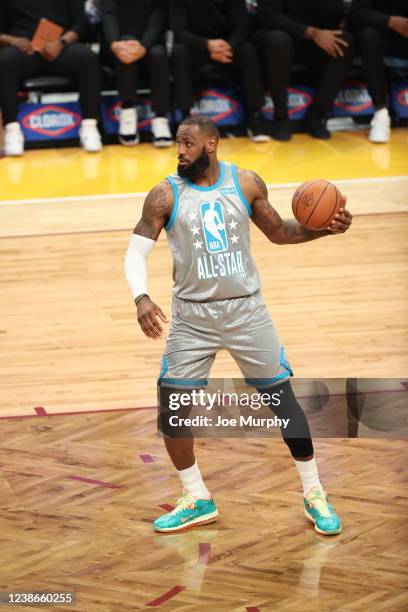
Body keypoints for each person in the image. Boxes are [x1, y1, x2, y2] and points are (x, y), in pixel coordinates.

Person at [125, 115, 353, 535]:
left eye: (188, 144)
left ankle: (315, 492)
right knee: (173, 408)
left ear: (211, 144)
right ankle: (196, 497)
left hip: (247, 312)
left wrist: (325, 231)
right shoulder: (164, 195)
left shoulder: (245, 183)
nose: (180, 151)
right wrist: (141, 297)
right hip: (192, 318)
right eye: (178, 144)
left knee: (282, 401)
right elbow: (134, 253)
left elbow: (282, 232)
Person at [0, 0, 102, 156]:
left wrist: (61, 43)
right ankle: (12, 128)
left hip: (61, 47)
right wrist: (13, 41)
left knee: (88, 58)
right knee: (5, 61)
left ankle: (89, 125)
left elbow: (80, 25)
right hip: (24, 49)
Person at [170, 0, 270, 142]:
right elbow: (179, 31)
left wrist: (229, 46)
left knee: (248, 51)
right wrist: (206, 45)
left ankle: (254, 114)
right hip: (196, 46)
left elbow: (242, 27)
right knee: (179, 52)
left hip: (227, 46)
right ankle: (186, 117)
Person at [253, 0, 355, 140]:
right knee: (279, 41)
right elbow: (268, 16)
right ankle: (280, 117)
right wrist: (309, 32)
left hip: (312, 40)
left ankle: (316, 115)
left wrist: (319, 33)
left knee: (344, 41)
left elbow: (334, 15)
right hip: (278, 34)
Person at [101, 0, 172, 147]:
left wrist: (145, 45)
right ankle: (128, 111)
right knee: (125, 47)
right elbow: (108, 14)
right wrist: (114, 43)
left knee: (158, 54)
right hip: (117, 44)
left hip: (150, 42)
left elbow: (158, 17)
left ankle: (160, 118)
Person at [351, 0, 408, 143]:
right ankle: (380, 113)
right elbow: (357, 14)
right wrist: (389, 21)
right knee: (368, 35)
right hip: (378, 41)